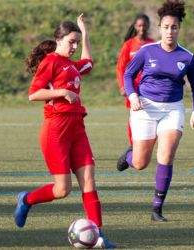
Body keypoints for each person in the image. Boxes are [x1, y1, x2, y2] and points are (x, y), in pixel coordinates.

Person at [13, 14, 115, 249]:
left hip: (77, 128)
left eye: (77, 42)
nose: (75, 47)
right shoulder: (50, 61)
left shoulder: (71, 64)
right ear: (58, 40)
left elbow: (88, 62)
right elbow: (33, 94)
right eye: (71, 42)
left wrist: (85, 33)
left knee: (89, 182)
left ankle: (98, 236)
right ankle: (26, 199)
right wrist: (62, 93)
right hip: (56, 130)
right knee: (62, 190)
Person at [116, 0, 194, 222]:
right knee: (141, 163)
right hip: (145, 107)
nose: (169, 31)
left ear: (179, 29)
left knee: (166, 156)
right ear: (160, 28)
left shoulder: (188, 57)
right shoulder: (146, 51)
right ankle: (129, 157)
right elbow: (128, 75)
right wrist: (133, 95)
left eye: (174, 27)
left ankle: (157, 209)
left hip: (173, 109)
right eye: (166, 27)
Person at [116, 14, 154, 145]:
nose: (142, 28)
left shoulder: (152, 44)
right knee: (134, 115)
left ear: (148, 26)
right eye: (139, 25)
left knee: (150, 115)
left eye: (144, 25)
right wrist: (122, 86)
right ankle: (133, 145)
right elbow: (120, 67)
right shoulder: (129, 45)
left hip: (148, 87)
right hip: (132, 86)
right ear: (135, 26)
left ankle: (146, 143)